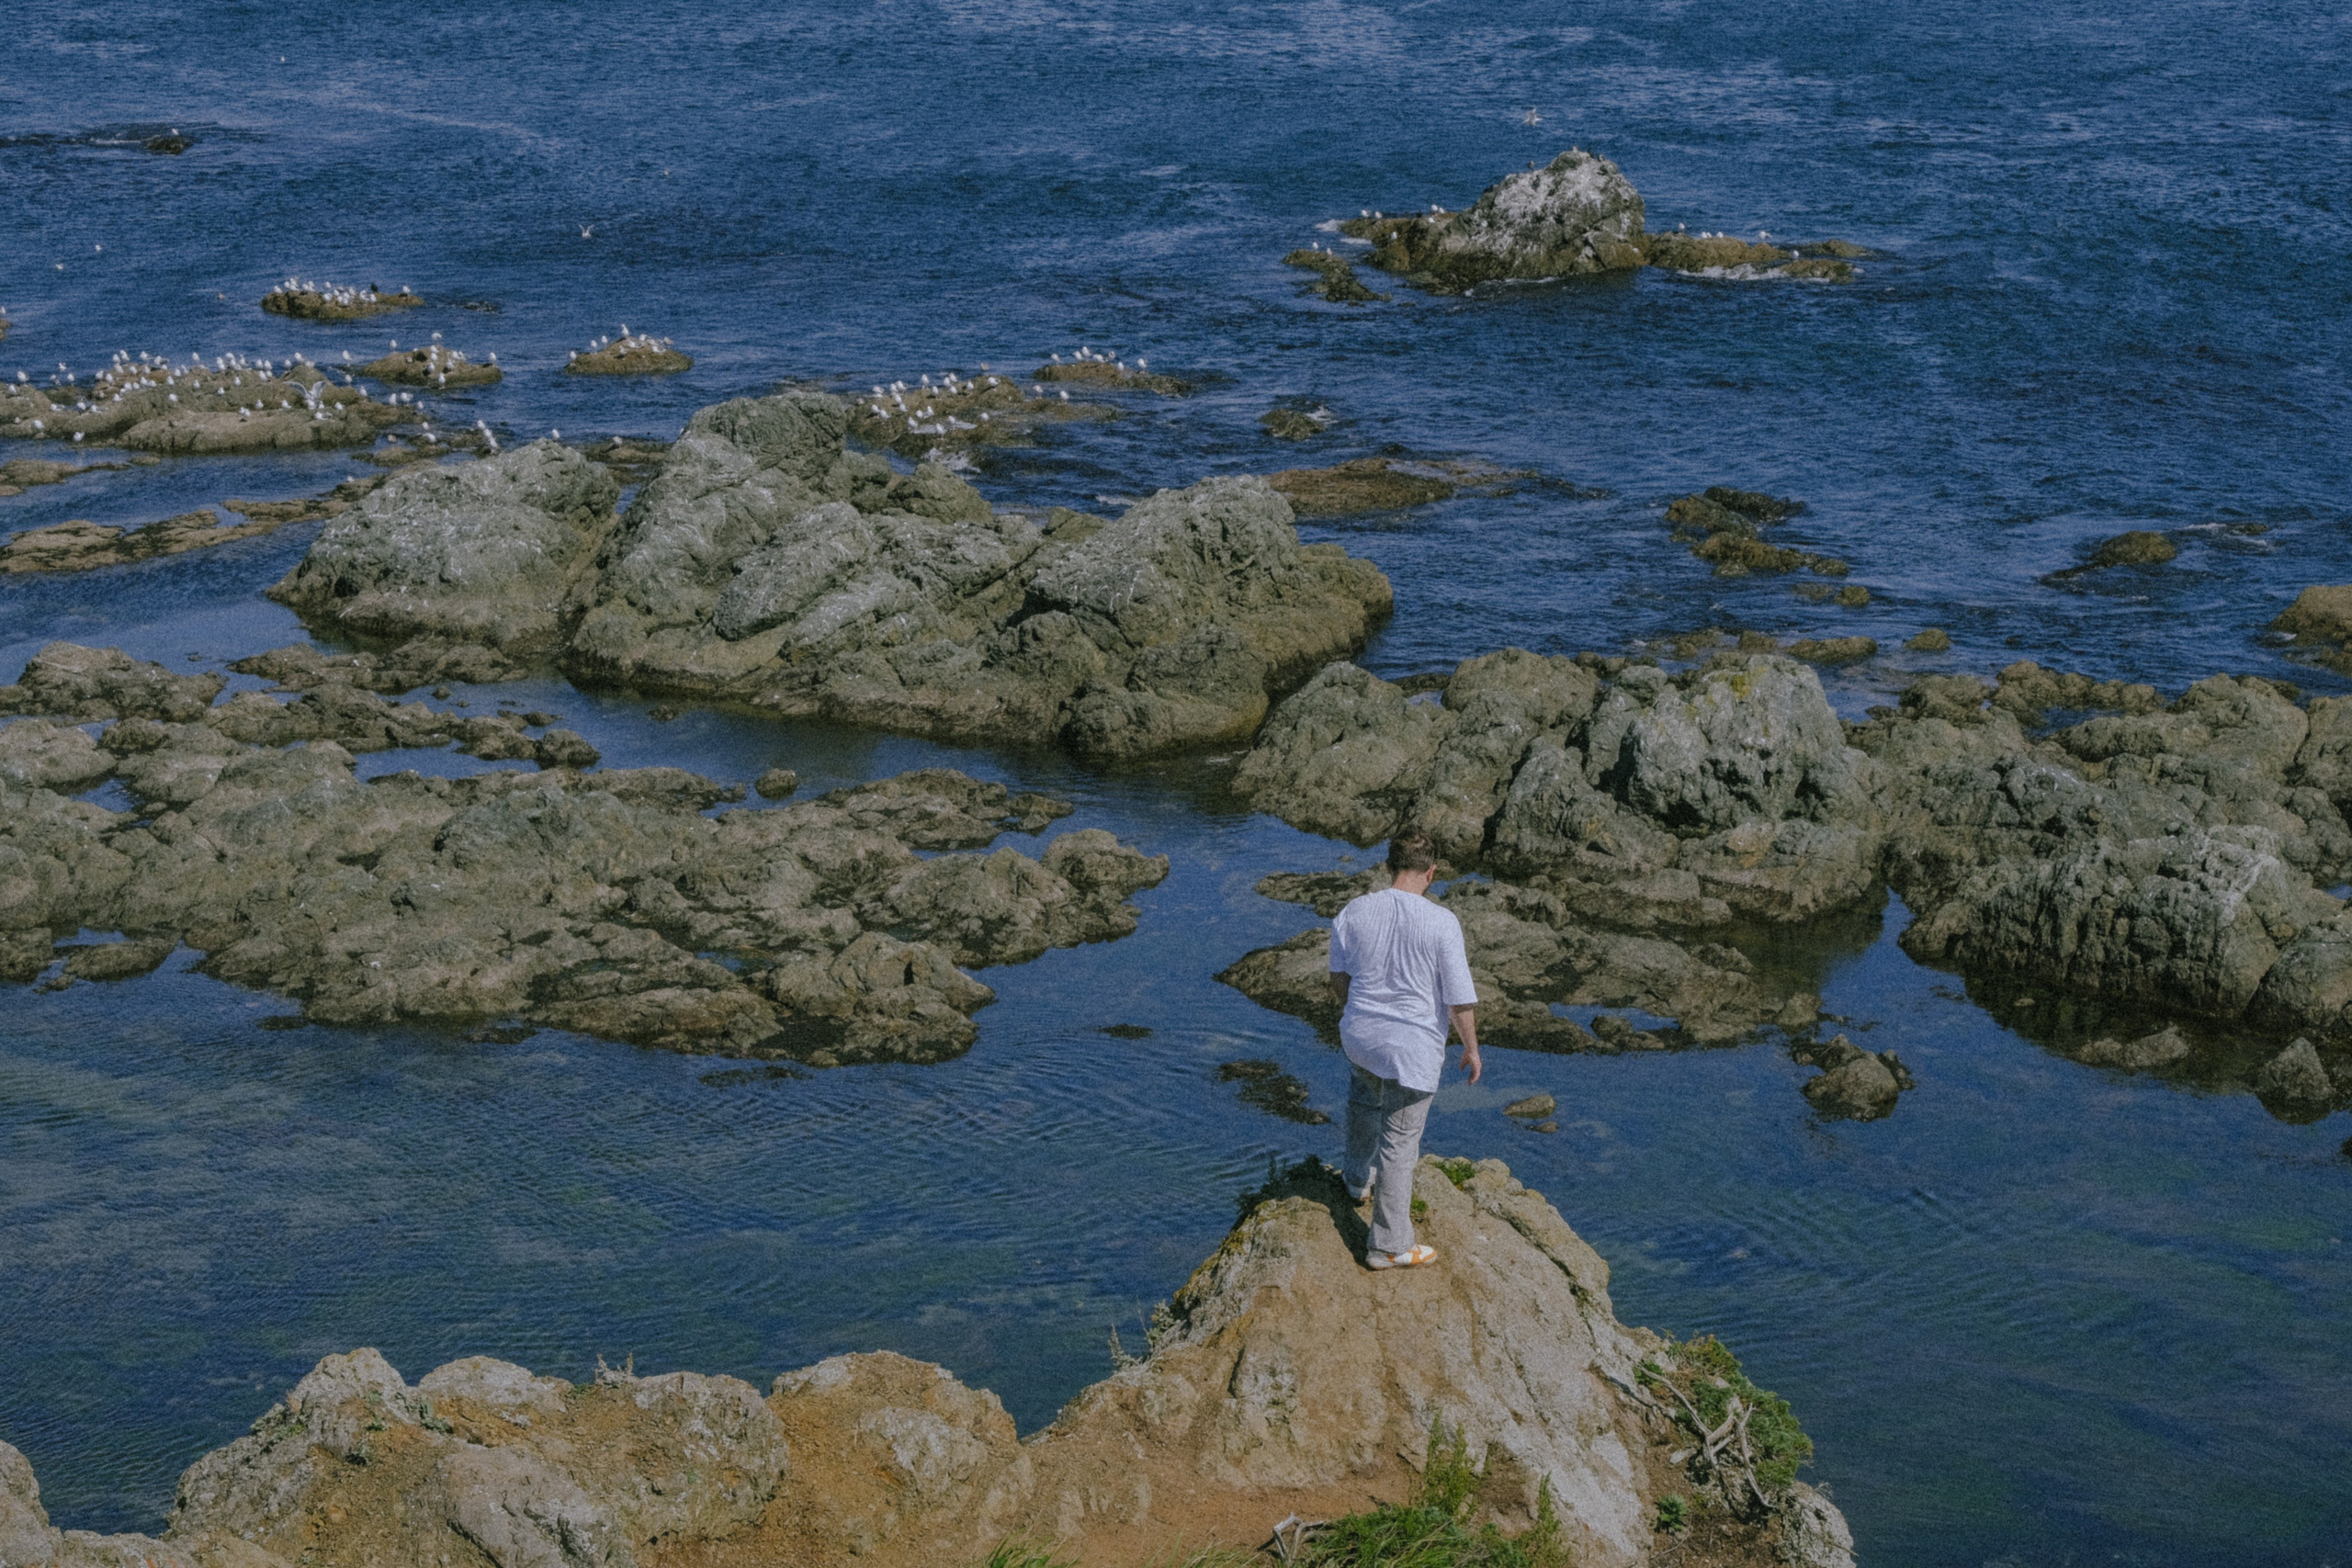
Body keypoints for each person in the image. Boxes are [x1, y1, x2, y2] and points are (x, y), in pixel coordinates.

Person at [1327, 829, 1480, 1270]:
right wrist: (1471, 1049)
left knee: (1362, 1099)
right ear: (1431, 872)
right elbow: (1458, 999)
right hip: (1410, 1048)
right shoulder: (1441, 922)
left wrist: (1358, 1014)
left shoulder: (1354, 911)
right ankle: (1389, 1246)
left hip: (1360, 1036)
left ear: (1390, 866)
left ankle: (1356, 1180)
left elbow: (1338, 980)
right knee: (1399, 1142)